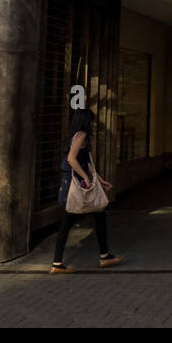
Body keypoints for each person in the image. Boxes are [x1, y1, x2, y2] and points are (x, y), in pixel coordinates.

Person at [51, 108, 122, 272]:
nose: (93, 124)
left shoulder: (75, 135)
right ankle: (58, 264)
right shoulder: (81, 134)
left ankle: (104, 256)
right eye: (91, 121)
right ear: (85, 121)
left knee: (98, 216)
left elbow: (86, 161)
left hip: (75, 183)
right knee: (68, 223)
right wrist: (85, 178)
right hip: (75, 186)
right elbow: (71, 160)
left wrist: (100, 180)